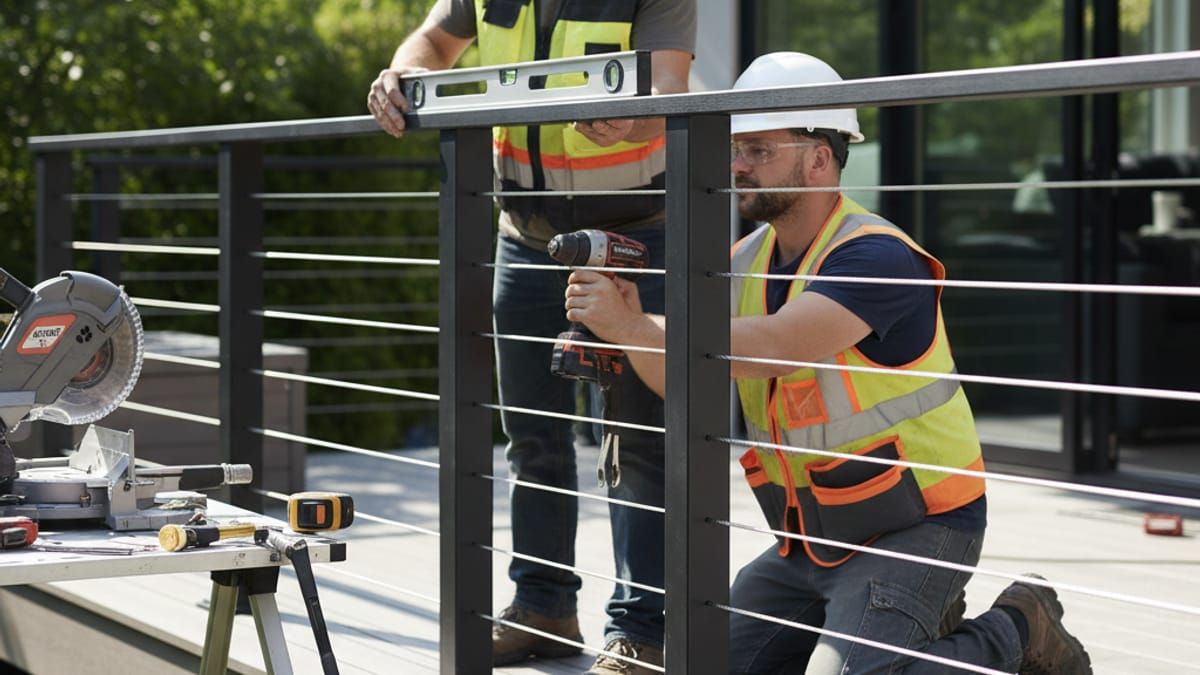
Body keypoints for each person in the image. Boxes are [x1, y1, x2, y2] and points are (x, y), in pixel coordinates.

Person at [563, 52, 1093, 674]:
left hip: (919, 526)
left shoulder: (877, 257)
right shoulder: (745, 260)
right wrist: (624, 329)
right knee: (700, 662)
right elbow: (686, 376)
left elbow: (776, 344)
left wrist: (632, 324)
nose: (737, 165)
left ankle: (1018, 626)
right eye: (737, 148)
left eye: (760, 150)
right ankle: (898, 633)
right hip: (810, 539)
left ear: (820, 157)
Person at [367, 1, 695, 672]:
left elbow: (669, 89)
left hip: (636, 234)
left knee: (637, 442)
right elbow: (433, 41)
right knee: (531, 437)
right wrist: (400, 73)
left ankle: (643, 632)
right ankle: (543, 607)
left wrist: (635, 114)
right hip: (524, 239)